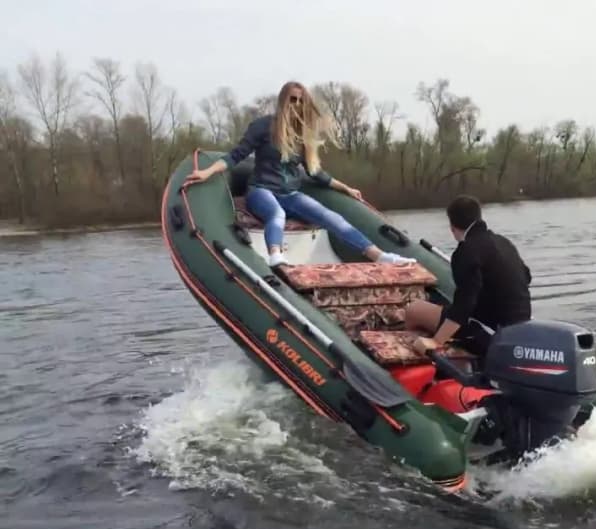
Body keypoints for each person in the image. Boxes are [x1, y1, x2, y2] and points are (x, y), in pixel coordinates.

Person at [182, 81, 413, 267]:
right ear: (283, 100)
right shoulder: (263, 126)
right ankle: (276, 256)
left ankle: (381, 256)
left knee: (333, 218)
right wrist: (206, 172)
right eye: (293, 99)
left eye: (302, 101)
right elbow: (236, 155)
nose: (297, 104)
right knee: (277, 214)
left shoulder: (302, 135)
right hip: (261, 190)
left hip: (290, 193)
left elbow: (315, 173)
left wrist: (346, 188)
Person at [407, 195, 532, 357]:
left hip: (491, 333)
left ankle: (416, 361)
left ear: (452, 226)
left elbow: (465, 305)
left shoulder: (465, 252)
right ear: (479, 216)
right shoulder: (504, 242)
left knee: (413, 310)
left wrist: (436, 342)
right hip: (519, 328)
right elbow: (526, 277)